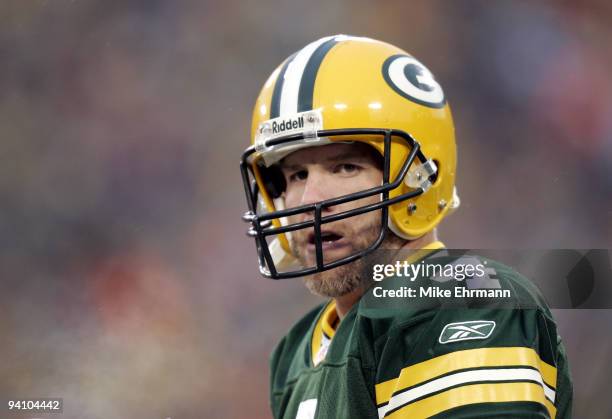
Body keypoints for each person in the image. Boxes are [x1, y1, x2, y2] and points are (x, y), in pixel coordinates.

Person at [240, 35, 572, 418]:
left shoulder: (463, 306)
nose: (309, 198)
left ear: (419, 176)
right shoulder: (297, 350)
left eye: (345, 167)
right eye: (296, 174)